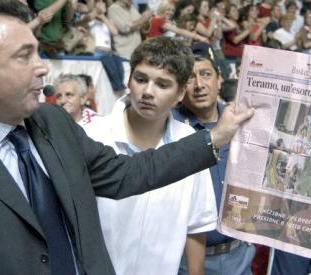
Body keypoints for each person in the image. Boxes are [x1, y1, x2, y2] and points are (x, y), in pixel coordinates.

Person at [0, 0, 254, 274]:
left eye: (38, 53)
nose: (42, 68)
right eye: (24, 56)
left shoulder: (53, 122)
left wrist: (217, 136)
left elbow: (127, 173)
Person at [85, 36, 216, 275]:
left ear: (180, 94)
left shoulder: (191, 144)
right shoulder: (93, 136)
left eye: (162, 85)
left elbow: (197, 226)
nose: (147, 92)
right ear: (129, 78)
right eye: (141, 79)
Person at [173, 44, 255, 275]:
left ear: (220, 80)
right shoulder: (169, 130)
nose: (199, 85)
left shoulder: (242, 122)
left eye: (206, 74)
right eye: (190, 78)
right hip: (187, 263)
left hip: (240, 256)